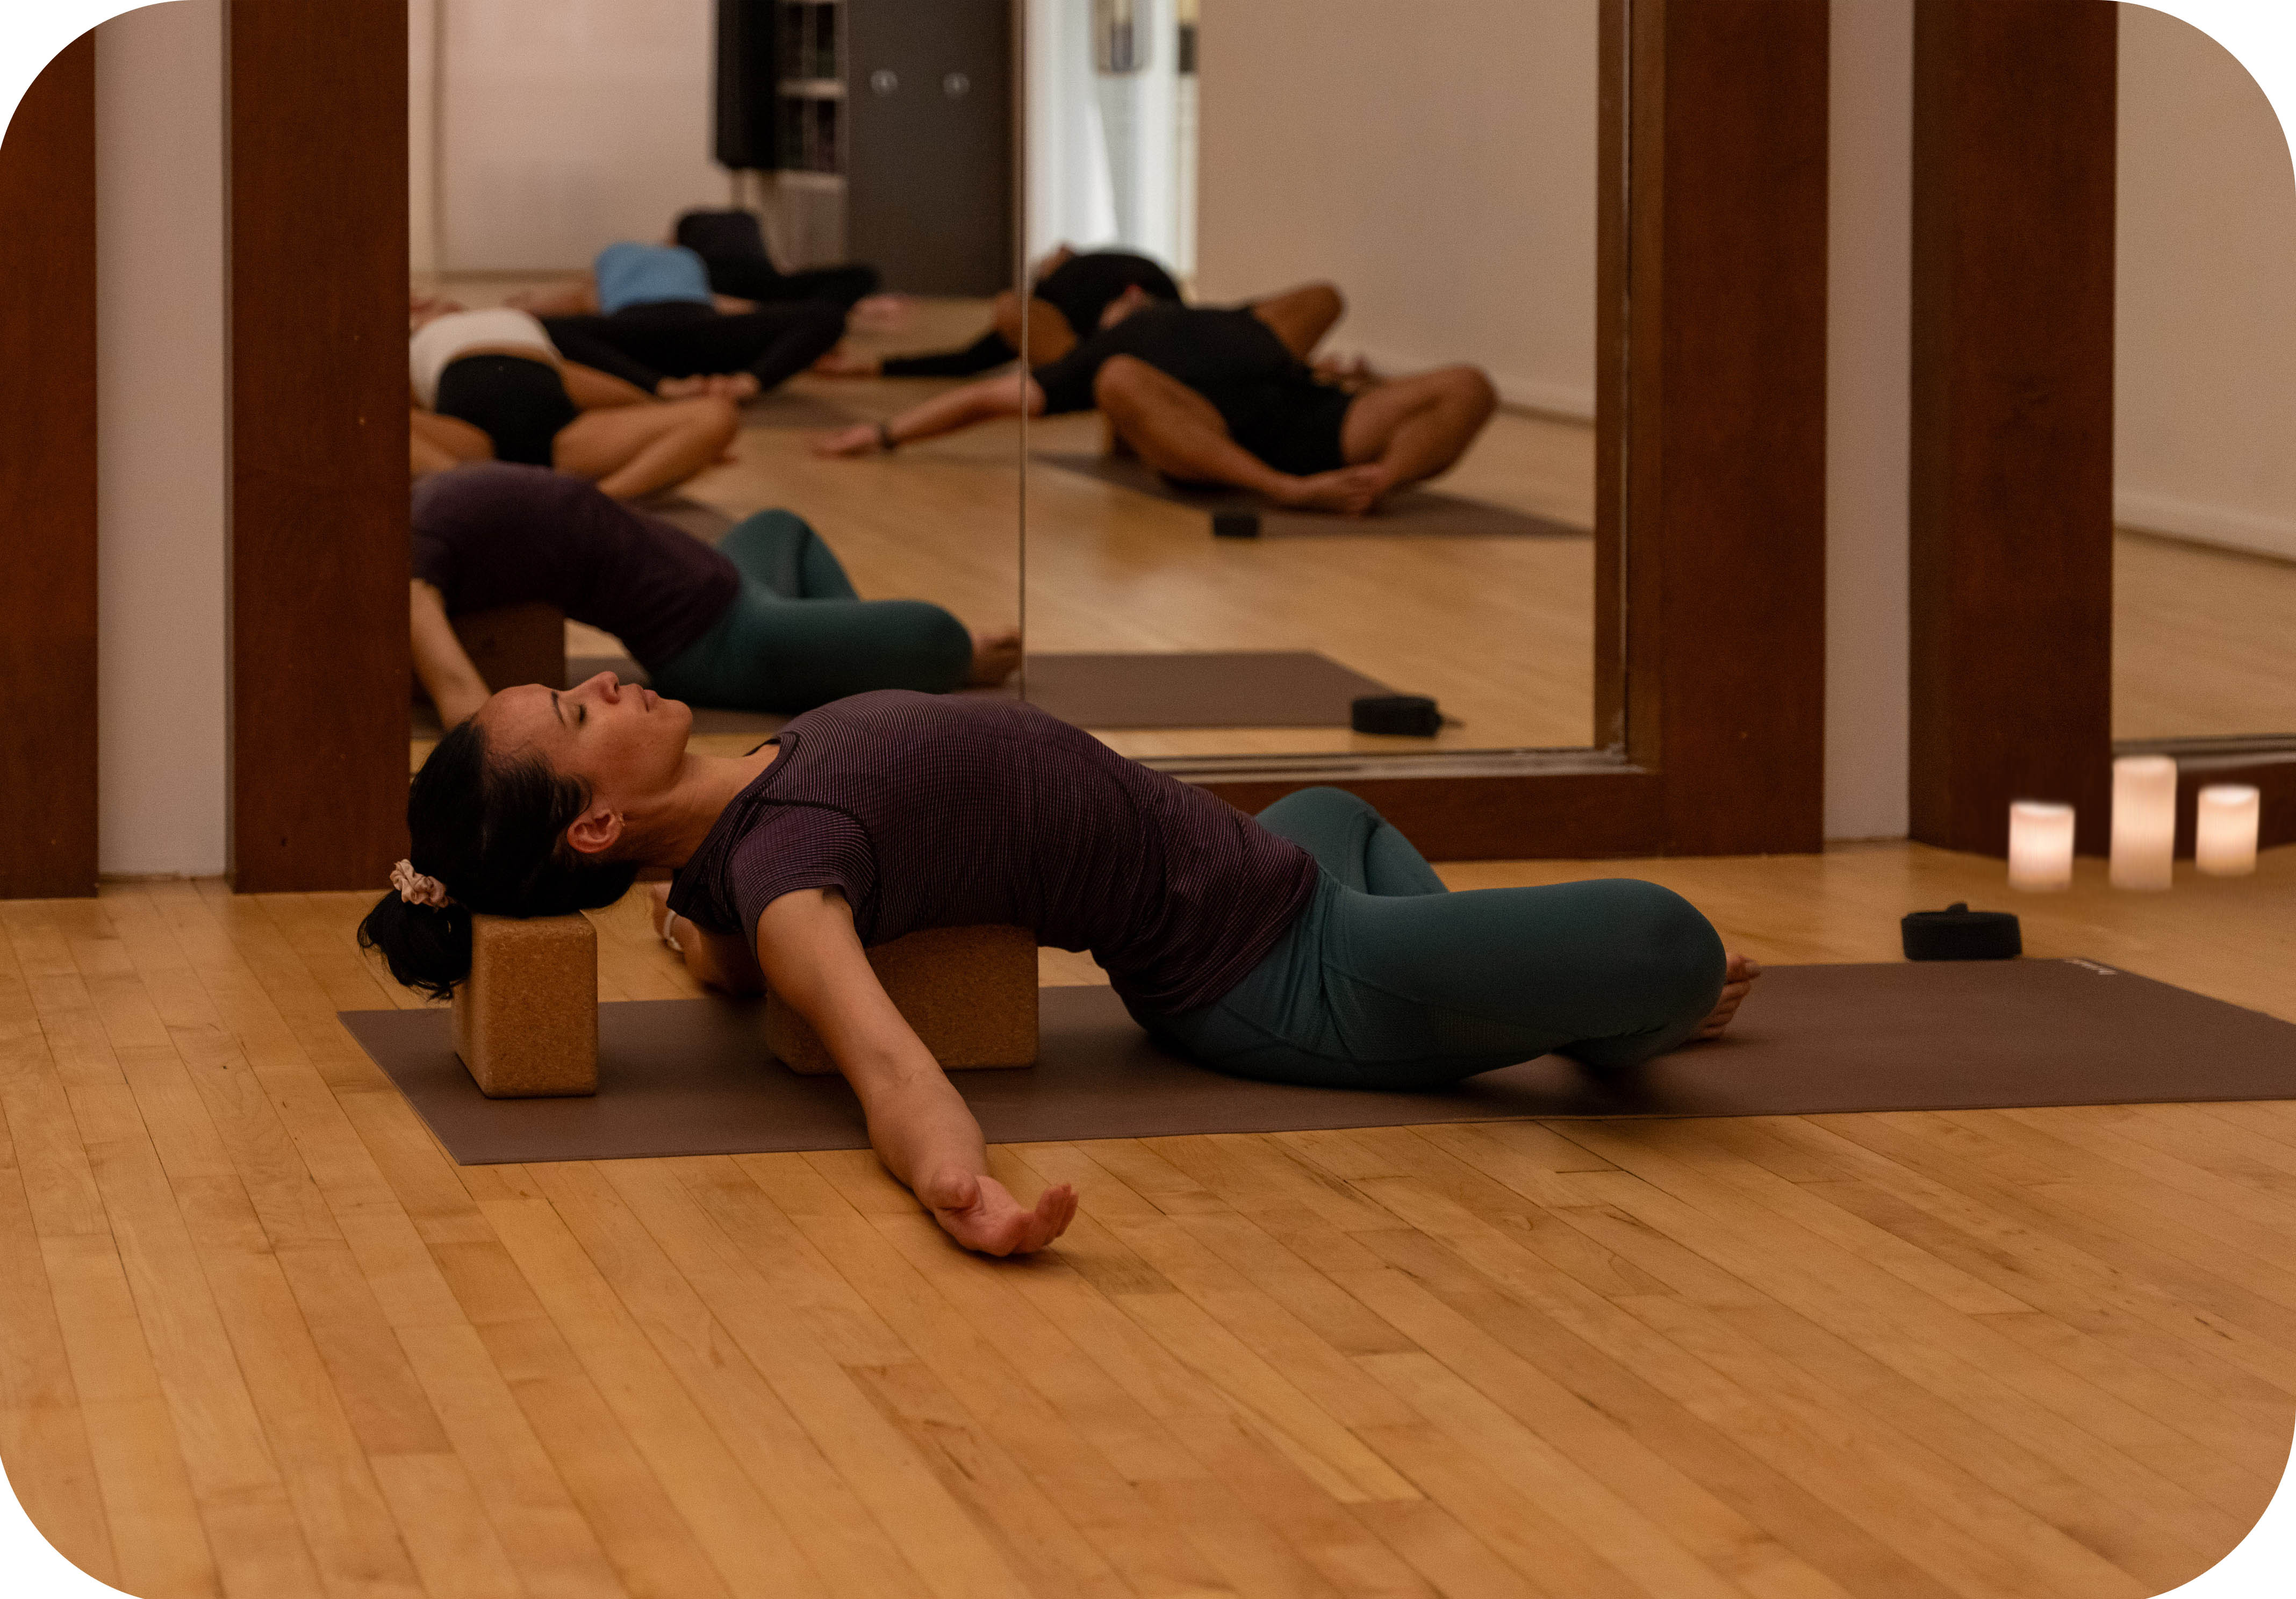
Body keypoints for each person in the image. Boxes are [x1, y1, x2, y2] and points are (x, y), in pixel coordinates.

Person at [360, 686, 1761, 1258]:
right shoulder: (787, 872)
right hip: (1278, 972)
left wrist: (680, 925)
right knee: (1665, 939)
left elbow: (725, 959)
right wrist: (960, 1186)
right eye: (577, 711)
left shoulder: (731, 854)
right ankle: (1595, 1013)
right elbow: (885, 1060)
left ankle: (1525, 1006)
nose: (606, 682)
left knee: (1338, 806)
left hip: (1281, 872)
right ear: (592, 823)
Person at [410, 463, 1019, 728]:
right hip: (715, 642)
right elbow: (464, 703)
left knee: (782, 525)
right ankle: (878, 663)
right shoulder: (412, 564)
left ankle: (844, 666)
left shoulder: (414, 512)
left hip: (728, 577)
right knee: (937, 633)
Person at [812, 282, 1497, 516]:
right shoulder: (1096, 357)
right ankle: (1289, 490)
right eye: (1117, 303)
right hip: (1221, 443)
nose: (1129, 295)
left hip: (1320, 420)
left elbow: (1322, 302)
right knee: (1118, 381)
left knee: (1469, 384)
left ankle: (1373, 484)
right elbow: (984, 399)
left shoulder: (1227, 316)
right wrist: (883, 434)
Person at [410, 302, 739, 501]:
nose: (430, 304)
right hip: (471, 445)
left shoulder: (516, 323)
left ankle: (593, 504)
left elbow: (607, 392)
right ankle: (472, 496)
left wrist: (668, 428)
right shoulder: (414, 343)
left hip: (561, 439)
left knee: (715, 414)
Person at [512, 243, 849, 403]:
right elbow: (570, 301)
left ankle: (742, 385)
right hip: (645, 333)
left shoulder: (683, 258)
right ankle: (664, 386)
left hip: (684, 332)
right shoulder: (611, 262)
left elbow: (735, 306)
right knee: (539, 329)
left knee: (827, 313)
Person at [813, 244, 1185, 378]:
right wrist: (876, 366)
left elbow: (971, 360)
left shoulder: (1071, 292)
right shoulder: (1066, 298)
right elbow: (971, 359)